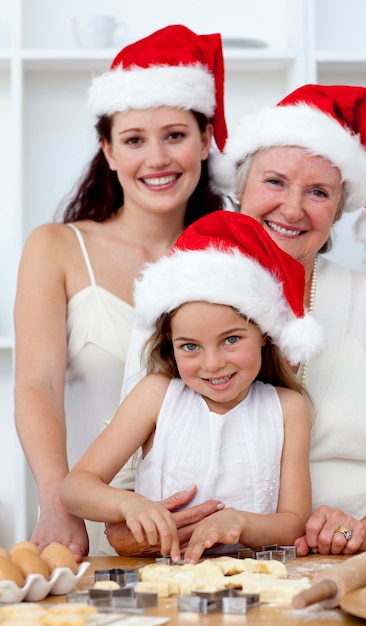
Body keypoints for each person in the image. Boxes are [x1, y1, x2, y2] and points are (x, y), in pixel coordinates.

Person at [112, 83, 366, 558]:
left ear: (340, 207)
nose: (292, 208)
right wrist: (152, 530)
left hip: (360, 558)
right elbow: (122, 487)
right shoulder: (176, 298)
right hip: (207, 564)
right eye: (275, 182)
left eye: (318, 191)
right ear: (239, 189)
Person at [13, 24, 228, 561]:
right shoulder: (56, 247)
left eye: (175, 135)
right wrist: (57, 499)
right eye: (134, 140)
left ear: (205, 141)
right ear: (108, 151)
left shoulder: (234, 257)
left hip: (211, 531)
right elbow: (38, 383)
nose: (157, 158)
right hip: (85, 529)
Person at [60, 210, 322, 564]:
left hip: (254, 584)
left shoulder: (288, 408)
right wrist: (129, 503)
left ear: (263, 332)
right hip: (161, 581)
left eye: (231, 339)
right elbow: (75, 487)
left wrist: (238, 523)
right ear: (170, 343)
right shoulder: (156, 395)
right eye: (190, 346)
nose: (212, 364)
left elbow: (293, 523)